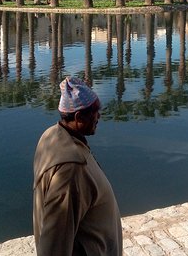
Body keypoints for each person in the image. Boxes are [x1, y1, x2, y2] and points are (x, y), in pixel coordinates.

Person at [33, 76, 122, 256]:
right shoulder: (70, 170)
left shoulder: (51, 136)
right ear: (79, 117)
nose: (99, 116)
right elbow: (55, 244)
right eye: (95, 112)